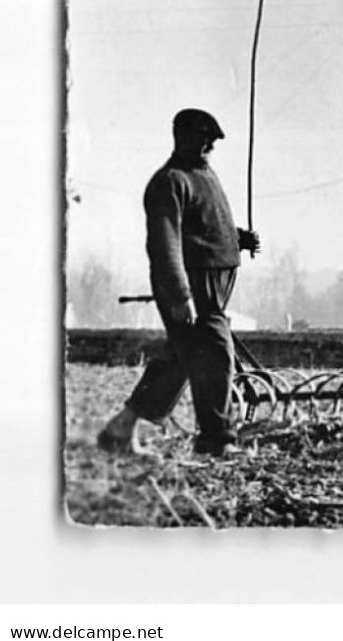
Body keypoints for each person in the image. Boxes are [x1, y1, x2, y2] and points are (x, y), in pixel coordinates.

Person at [97, 108, 260, 457]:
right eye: (202, 141)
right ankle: (217, 440)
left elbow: (204, 226)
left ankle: (120, 429)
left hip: (214, 285)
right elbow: (165, 243)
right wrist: (180, 294)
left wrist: (237, 238)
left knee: (181, 359)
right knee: (215, 352)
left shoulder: (204, 176)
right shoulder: (169, 181)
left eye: (211, 144)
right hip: (194, 289)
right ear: (180, 137)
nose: (208, 148)